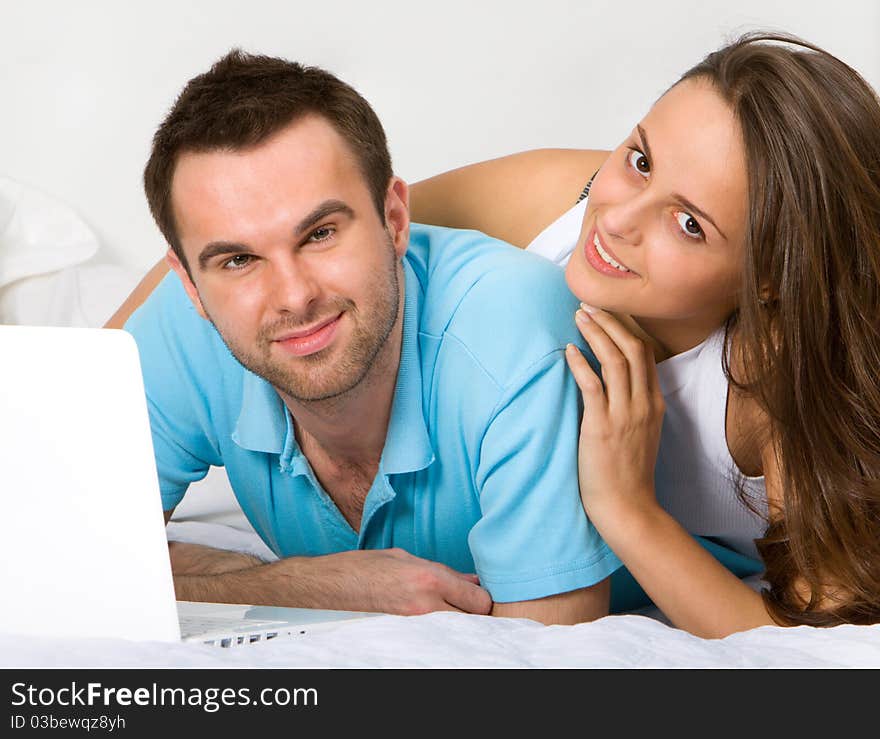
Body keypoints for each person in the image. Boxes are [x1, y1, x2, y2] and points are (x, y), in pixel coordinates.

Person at [112, 32, 880, 637]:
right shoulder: (559, 201)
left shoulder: (778, 377)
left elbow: (796, 638)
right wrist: (84, 367)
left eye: (689, 223)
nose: (614, 220)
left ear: (770, 277)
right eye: (640, 158)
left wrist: (625, 507)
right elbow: (304, 213)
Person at [118, 49, 621, 626]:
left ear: (395, 219)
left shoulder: (514, 333)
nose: (294, 296)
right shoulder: (185, 330)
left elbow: (552, 653)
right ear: (189, 283)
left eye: (320, 233)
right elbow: (48, 551)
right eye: (238, 259)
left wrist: (205, 576)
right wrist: (308, 584)